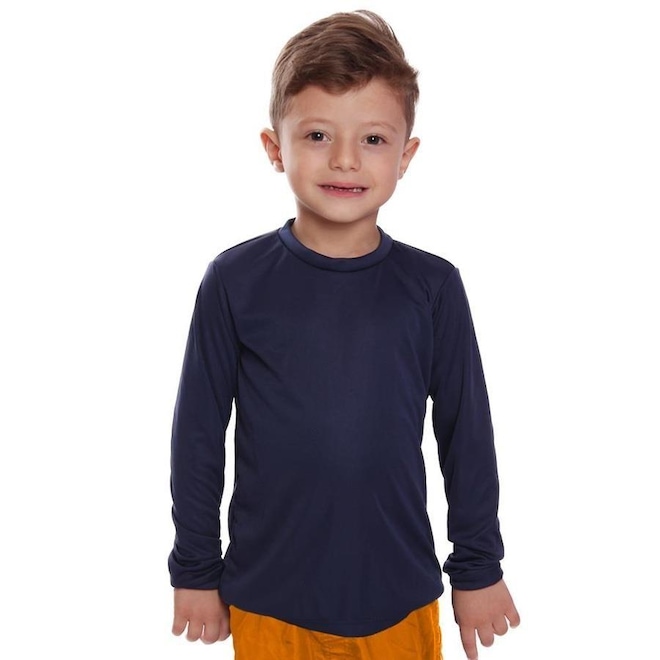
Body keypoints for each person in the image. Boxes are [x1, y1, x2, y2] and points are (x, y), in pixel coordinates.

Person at [168, 10, 520, 660]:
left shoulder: (433, 287)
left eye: (374, 139)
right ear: (275, 147)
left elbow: (467, 435)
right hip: (268, 600)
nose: (345, 159)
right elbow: (197, 435)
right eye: (318, 134)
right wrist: (194, 569)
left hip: (398, 598)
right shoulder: (234, 281)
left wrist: (478, 567)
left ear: (406, 155)